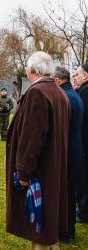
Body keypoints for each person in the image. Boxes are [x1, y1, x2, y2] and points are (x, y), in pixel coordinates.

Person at [6, 52, 70, 250]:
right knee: (47, 226)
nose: (25, 70)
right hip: (53, 167)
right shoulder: (58, 92)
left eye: (26, 67)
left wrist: (23, 172)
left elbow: (32, 138)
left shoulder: (38, 92)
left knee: (40, 226)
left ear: (32, 69)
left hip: (40, 172)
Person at [54, 66, 84, 242]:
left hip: (68, 152)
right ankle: (68, 230)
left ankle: (65, 232)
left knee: (65, 193)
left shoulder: (65, 97)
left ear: (57, 80)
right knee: (69, 193)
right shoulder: (75, 95)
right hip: (76, 149)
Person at [75, 63, 88, 223]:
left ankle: (84, 213)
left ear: (85, 76)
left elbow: (83, 123)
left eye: (78, 74)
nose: (76, 78)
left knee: (84, 179)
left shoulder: (85, 92)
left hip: (84, 144)